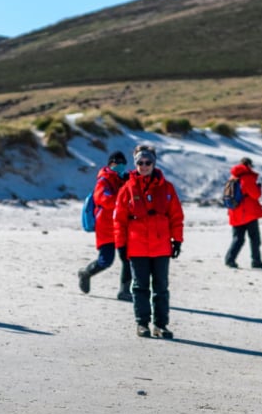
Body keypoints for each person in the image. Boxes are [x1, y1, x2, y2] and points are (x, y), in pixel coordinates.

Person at [114, 145, 184, 339]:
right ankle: (142, 323)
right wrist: (121, 245)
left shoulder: (167, 188)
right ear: (135, 164)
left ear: (154, 163)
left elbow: (176, 216)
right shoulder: (126, 189)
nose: (144, 166)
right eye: (140, 163)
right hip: (137, 247)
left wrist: (177, 241)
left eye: (148, 162)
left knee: (161, 288)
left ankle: (161, 325)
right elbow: (119, 220)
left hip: (161, 247)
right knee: (140, 287)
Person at [79, 151, 133, 300]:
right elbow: (104, 199)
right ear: (110, 164)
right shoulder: (103, 180)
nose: (119, 165)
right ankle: (86, 273)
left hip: (123, 225)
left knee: (129, 258)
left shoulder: (128, 179)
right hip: (106, 227)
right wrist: (123, 200)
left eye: (122, 163)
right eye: (116, 162)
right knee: (106, 260)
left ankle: (124, 291)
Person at [224, 157, 262, 269]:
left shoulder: (233, 177)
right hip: (248, 213)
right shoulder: (247, 177)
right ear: (249, 165)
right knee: (255, 238)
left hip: (234, 212)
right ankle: (256, 261)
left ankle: (230, 259)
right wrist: (258, 187)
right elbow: (255, 195)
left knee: (238, 238)